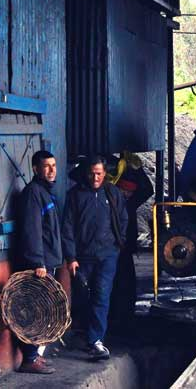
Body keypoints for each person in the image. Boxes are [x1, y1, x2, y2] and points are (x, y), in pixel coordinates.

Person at [62, 155, 129, 361]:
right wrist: (71, 257)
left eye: (99, 173)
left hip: (108, 255)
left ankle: (95, 341)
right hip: (82, 257)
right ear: (85, 173)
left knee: (102, 295)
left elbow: (123, 218)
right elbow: (67, 228)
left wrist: (118, 244)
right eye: (92, 173)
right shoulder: (75, 195)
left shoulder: (113, 193)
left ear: (105, 174)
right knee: (82, 295)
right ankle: (82, 331)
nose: (95, 177)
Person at [14, 150, 62, 374]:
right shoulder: (33, 193)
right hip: (38, 265)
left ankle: (34, 356)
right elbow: (31, 230)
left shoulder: (45, 192)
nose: (52, 170)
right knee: (34, 311)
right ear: (35, 169)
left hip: (48, 260)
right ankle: (29, 359)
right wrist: (37, 262)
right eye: (46, 166)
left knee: (42, 310)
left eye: (54, 165)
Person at [108, 152, 154, 325]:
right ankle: (117, 318)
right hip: (110, 248)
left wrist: (139, 170)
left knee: (125, 284)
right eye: (124, 190)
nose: (126, 194)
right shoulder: (109, 200)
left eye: (129, 191)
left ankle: (125, 317)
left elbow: (148, 189)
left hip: (125, 248)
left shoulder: (130, 202)